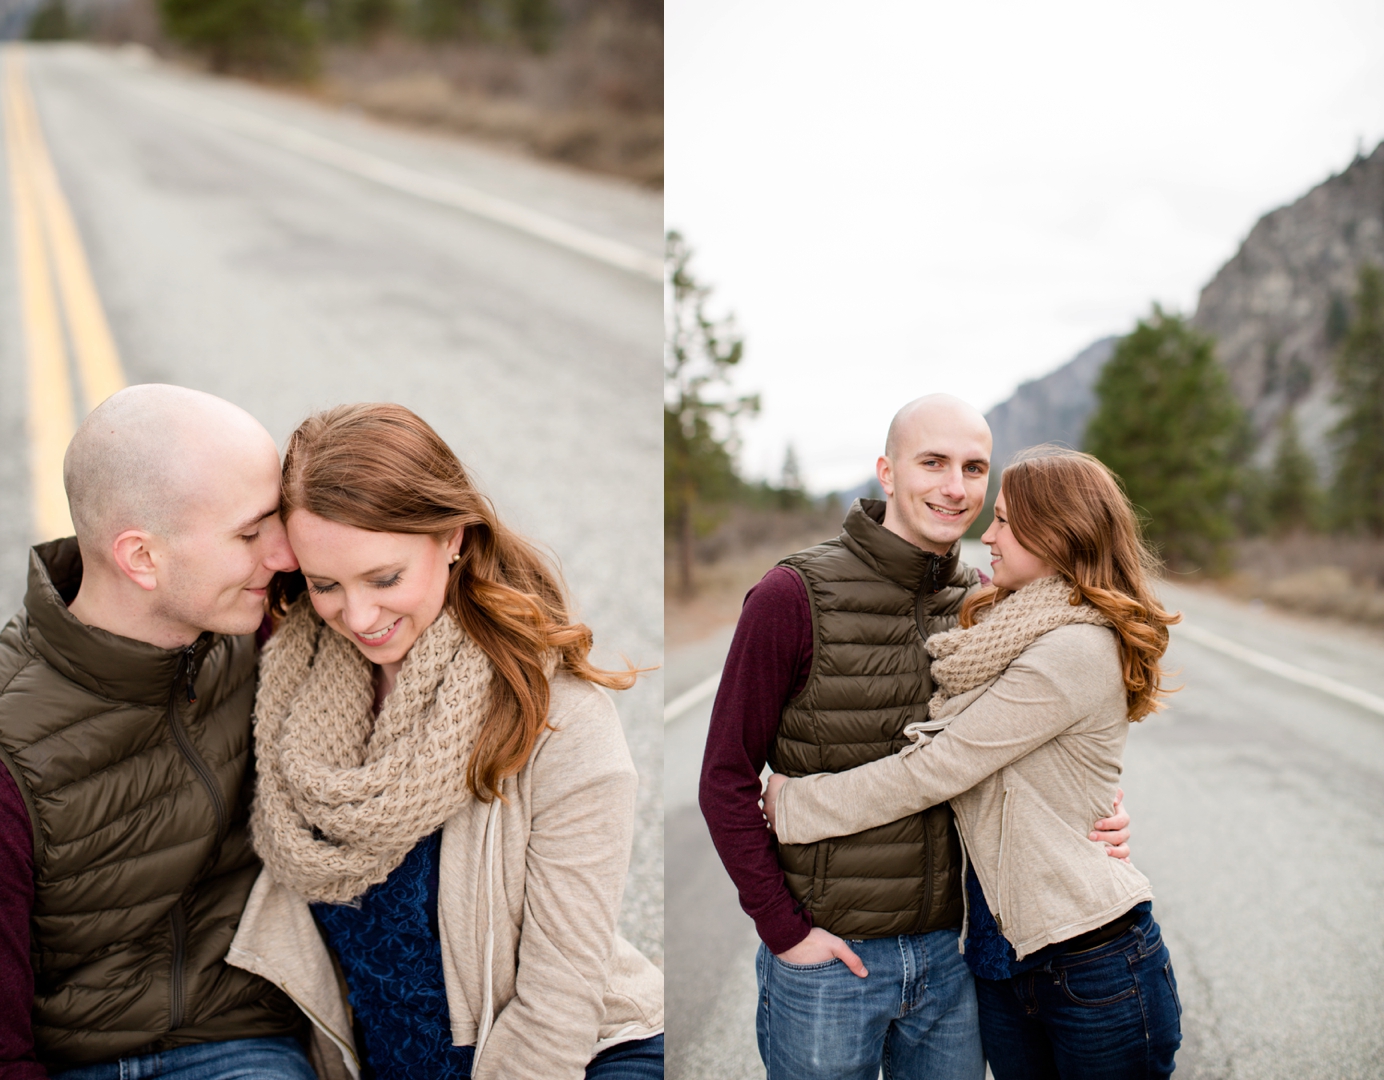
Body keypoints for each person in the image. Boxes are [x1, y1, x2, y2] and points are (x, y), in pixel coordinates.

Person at [697, 395, 1132, 1080]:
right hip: (829, 963)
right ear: (887, 472)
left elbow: (1041, 734)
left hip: (950, 961)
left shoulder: (987, 605)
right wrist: (785, 931)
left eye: (973, 467)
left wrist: (1099, 811)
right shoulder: (792, 595)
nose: (955, 488)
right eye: (932, 463)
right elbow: (723, 778)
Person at [229, 403, 664, 1080]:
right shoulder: (286, 692)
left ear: (453, 537)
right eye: (326, 585)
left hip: (577, 1056)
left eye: (385, 578)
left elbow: (558, 1012)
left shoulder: (558, 720)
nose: (360, 616)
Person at [0, 385, 314, 1080]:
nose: (285, 555)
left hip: (237, 1043)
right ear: (141, 557)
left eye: (280, 520)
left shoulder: (270, 641)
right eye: (249, 533)